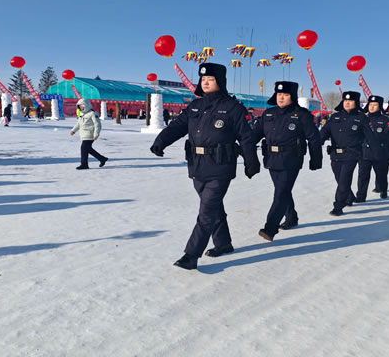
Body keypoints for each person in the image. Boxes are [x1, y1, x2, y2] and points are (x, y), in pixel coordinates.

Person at [150, 63, 260, 270]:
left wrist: (251, 162)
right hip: (197, 166)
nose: (206, 82)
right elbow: (178, 126)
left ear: (220, 81)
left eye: (210, 79)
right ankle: (223, 243)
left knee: (206, 211)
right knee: (213, 206)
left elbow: (246, 137)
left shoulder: (233, 107)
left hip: (221, 166)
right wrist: (161, 141)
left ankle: (191, 255)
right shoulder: (195, 106)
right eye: (203, 79)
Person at [252, 81, 322, 241]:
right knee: (282, 191)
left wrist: (316, 160)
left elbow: (314, 138)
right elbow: (254, 135)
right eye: (279, 94)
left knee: (281, 192)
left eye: (285, 94)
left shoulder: (301, 115)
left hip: (291, 159)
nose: (281, 97)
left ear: (293, 96)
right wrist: (243, 148)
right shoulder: (268, 114)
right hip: (271, 159)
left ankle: (270, 228)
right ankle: (291, 217)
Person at [320, 91, 376, 216]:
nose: (347, 103)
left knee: (344, 180)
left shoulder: (361, 118)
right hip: (335, 154)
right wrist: (317, 142)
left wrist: (377, 152)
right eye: (345, 100)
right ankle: (349, 197)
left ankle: (338, 206)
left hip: (352, 154)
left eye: (350, 101)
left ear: (356, 103)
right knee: (340, 179)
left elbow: (371, 137)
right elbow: (324, 131)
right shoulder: (335, 117)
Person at [356, 95, 389, 200]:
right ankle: (361, 196)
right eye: (370, 104)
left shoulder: (385, 120)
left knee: (381, 174)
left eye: (375, 105)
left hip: (380, 153)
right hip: (365, 152)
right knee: (363, 176)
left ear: (379, 106)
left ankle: (383, 190)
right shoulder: (363, 119)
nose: (372, 107)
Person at [69, 99, 108, 170]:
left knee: (84, 148)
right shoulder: (82, 114)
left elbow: (97, 125)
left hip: (90, 134)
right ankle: (102, 159)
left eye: (81, 106)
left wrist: (96, 134)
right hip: (83, 135)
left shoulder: (92, 113)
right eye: (79, 106)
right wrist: (73, 131)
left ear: (86, 105)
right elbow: (78, 124)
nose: (80, 107)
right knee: (87, 149)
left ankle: (84, 164)